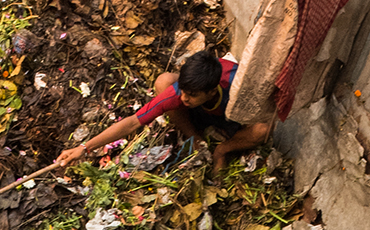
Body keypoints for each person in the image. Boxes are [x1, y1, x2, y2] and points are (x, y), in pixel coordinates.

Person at [60, 49, 277, 166]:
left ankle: (223, 150)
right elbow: (133, 122)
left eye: (191, 95)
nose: (183, 99)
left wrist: (226, 145)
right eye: (183, 91)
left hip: (232, 117)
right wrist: (84, 148)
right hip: (202, 113)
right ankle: (195, 139)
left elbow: (267, 113)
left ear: (211, 92)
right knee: (163, 81)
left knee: (263, 130)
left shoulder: (237, 85)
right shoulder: (181, 95)